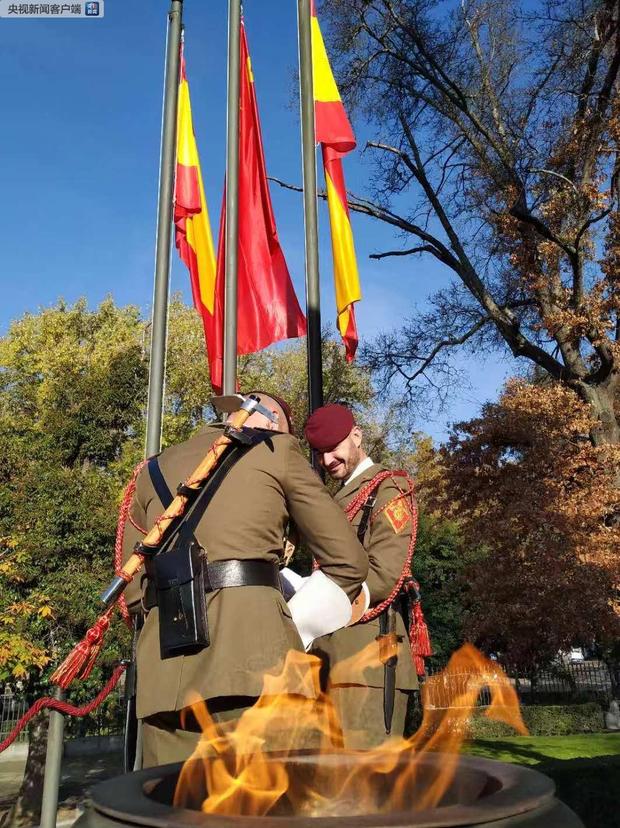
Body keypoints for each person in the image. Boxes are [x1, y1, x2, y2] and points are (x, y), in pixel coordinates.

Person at [122, 392, 368, 767]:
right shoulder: (277, 451)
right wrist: (291, 624)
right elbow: (349, 561)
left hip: (163, 680)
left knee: (174, 814)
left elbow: (135, 593)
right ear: (270, 423)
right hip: (259, 668)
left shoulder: (151, 470)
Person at [304, 403, 421, 748]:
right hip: (326, 658)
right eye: (320, 453)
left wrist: (318, 606)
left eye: (334, 448)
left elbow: (385, 572)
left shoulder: (389, 488)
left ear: (357, 435)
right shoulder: (332, 498)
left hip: (369, 660)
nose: (327, 461)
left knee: (366, 782)